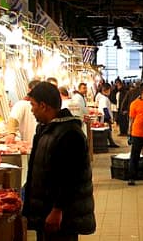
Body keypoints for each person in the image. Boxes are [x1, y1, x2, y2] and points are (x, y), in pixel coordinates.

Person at [23, 82, 95, 241]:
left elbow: (70, 177)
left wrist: (57, 210)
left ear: (43, 106)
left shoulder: (70, 133)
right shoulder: (45, 129)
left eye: (33, 105)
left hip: (62, 216)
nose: (31, 109)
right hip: (46, 209)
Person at [5, 80, 41, 144]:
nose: (32, 110)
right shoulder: (23, 104)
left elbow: (13, 119)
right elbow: (13, 119)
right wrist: (11, 133)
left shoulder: (22, 104)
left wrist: (11, 133)